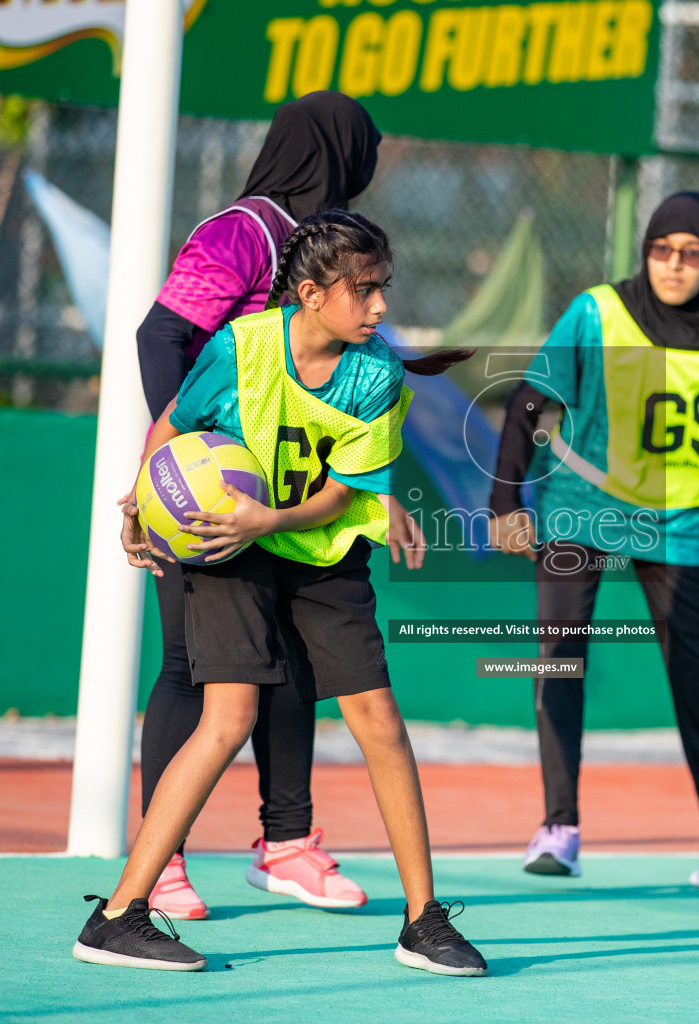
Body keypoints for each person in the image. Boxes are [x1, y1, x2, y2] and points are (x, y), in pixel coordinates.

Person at [75, 209, 484, 976]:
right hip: (229, 542)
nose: (380, 307)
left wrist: (272, 517)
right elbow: (176, 419)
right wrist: (141, 499)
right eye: (363, 291)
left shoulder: (379, 375)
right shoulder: (241, 346)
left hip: (317, 546)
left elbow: (339, 495)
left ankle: (424, 920)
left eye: (383, 289)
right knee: (227, 717)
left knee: (380, 719)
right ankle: (120, 913)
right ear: (308, 293)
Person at [487, 192, 699, 897]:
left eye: (692, 254)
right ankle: (558, 830)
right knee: (560, 663)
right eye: (662, 250)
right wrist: (505, 500)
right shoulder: (598, 312)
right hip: (579, 509)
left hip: (678, 524)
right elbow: (529, 399)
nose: (674, 266)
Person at [134, 91, 383, 919]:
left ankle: (285, 847)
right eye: (362, 148)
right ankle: (159, 862)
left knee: (291, 664)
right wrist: (183, 469)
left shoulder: (332, 252)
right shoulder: (243, 230)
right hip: (210, 491)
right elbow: (161, 335)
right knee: (186, 664)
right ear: (338, 152)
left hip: (282, 496)